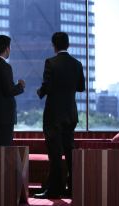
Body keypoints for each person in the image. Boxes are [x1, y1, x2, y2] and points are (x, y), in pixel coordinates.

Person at [34, 32, 85, 199]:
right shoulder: (77, 64)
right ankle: (73, 188)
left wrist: (40, 92)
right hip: (70, 114)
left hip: (54, 115)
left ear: (54, 46)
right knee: (70, 152)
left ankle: (55, 190)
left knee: (55, 154)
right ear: (68, 45)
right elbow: (81, 88)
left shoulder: (51, 63)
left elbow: (47, 86)